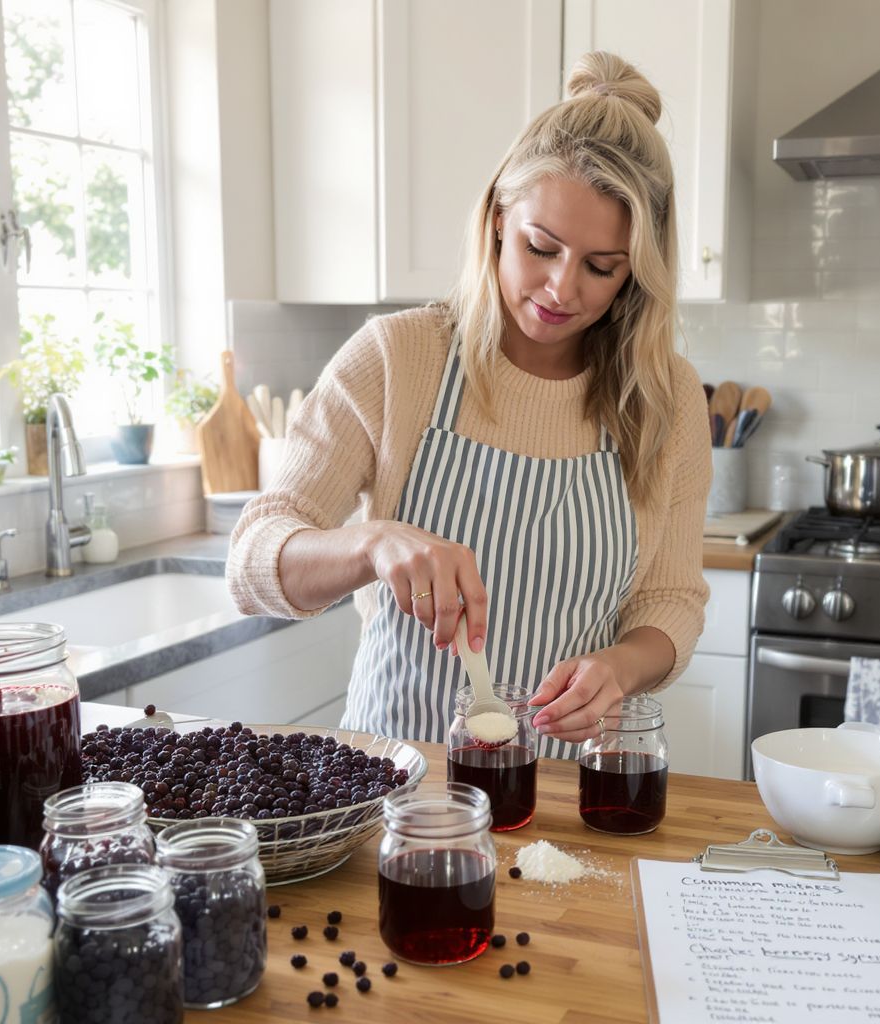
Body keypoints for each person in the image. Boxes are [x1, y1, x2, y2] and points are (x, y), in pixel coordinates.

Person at [227, 51, 711, 758]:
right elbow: (250, 564)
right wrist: (372, 542)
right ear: (495, 219)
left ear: (636, 270)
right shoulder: (399, 359)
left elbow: (672, 601)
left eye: (601, 267)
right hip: (393, 784)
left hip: (562, 792)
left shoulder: (663, 399)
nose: (560, 288)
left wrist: (621, 667)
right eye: (540, 247)